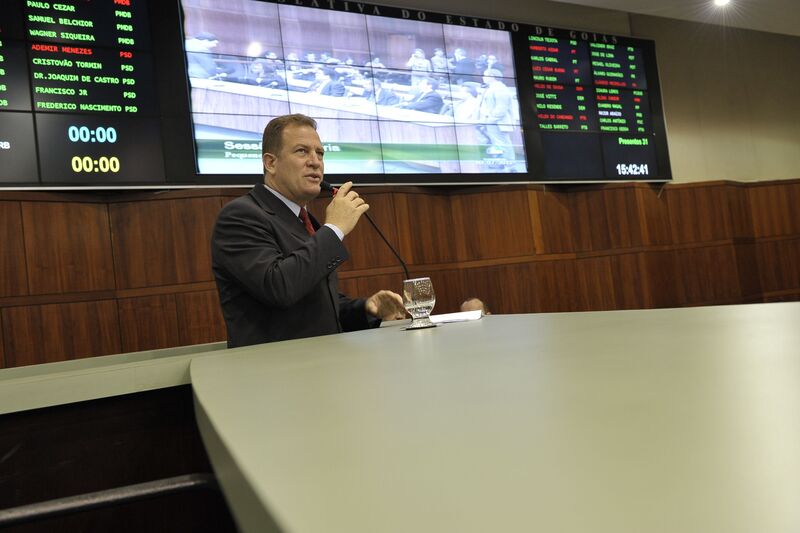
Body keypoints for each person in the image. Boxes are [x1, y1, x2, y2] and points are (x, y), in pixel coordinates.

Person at [211, 114, 406, 348]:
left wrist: (365, 308)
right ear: (270, 163)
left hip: (322, 361)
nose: (315, 162)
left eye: (320, 153)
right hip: (273, 366)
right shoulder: (240, 216)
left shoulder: (304, 220)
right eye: (302, 151)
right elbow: (279, 287)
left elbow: (315, 306)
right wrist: (334, 228)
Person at [479, 68, 515, 162]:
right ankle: (503, 163)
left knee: (502, 143)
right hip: (493, 121)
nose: (483, 77)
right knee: (498, 143)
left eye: (485, 75)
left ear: (492, 76)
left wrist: (490, 120)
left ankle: (508, 164)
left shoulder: (500, 88)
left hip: (497, 122)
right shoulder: (492, 88)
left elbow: (501, 108)